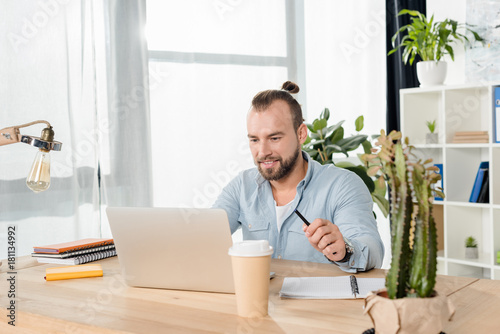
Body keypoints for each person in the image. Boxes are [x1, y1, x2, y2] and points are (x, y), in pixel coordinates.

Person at [213, 81, 384, 272]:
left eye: (274, 138)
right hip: (261, 299)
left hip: (321, 301)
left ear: (301, 134)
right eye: (254, 140)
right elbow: (206, 235)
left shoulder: (342, 185)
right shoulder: (242, 187)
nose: (263, 152)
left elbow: (373, 251)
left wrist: (345, 249)